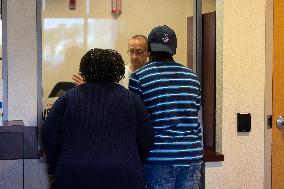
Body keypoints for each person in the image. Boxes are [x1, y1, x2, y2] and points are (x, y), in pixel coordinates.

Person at [42, 48, 154, 189]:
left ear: (84, 69)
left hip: (74, 174)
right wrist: (134, 159)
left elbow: (48, 133)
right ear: (118, 71)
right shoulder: (132, 100)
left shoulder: (67, 98)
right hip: (124, 175)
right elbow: (147, 137)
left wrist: (55, 163)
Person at [129, 25, 203, 189]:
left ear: (149, 49)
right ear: (173, 49)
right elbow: (196, 116)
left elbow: (135, 121)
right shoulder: (192, 77)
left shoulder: (139, 77)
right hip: (191, 155)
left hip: (158, 157)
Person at [72, 35, 149, 88]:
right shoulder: (119, 73)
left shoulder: (152, 75)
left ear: (148, 53)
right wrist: (88, 87)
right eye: (131, 52)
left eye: (139, 52)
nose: (134, 57)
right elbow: (105, 94)